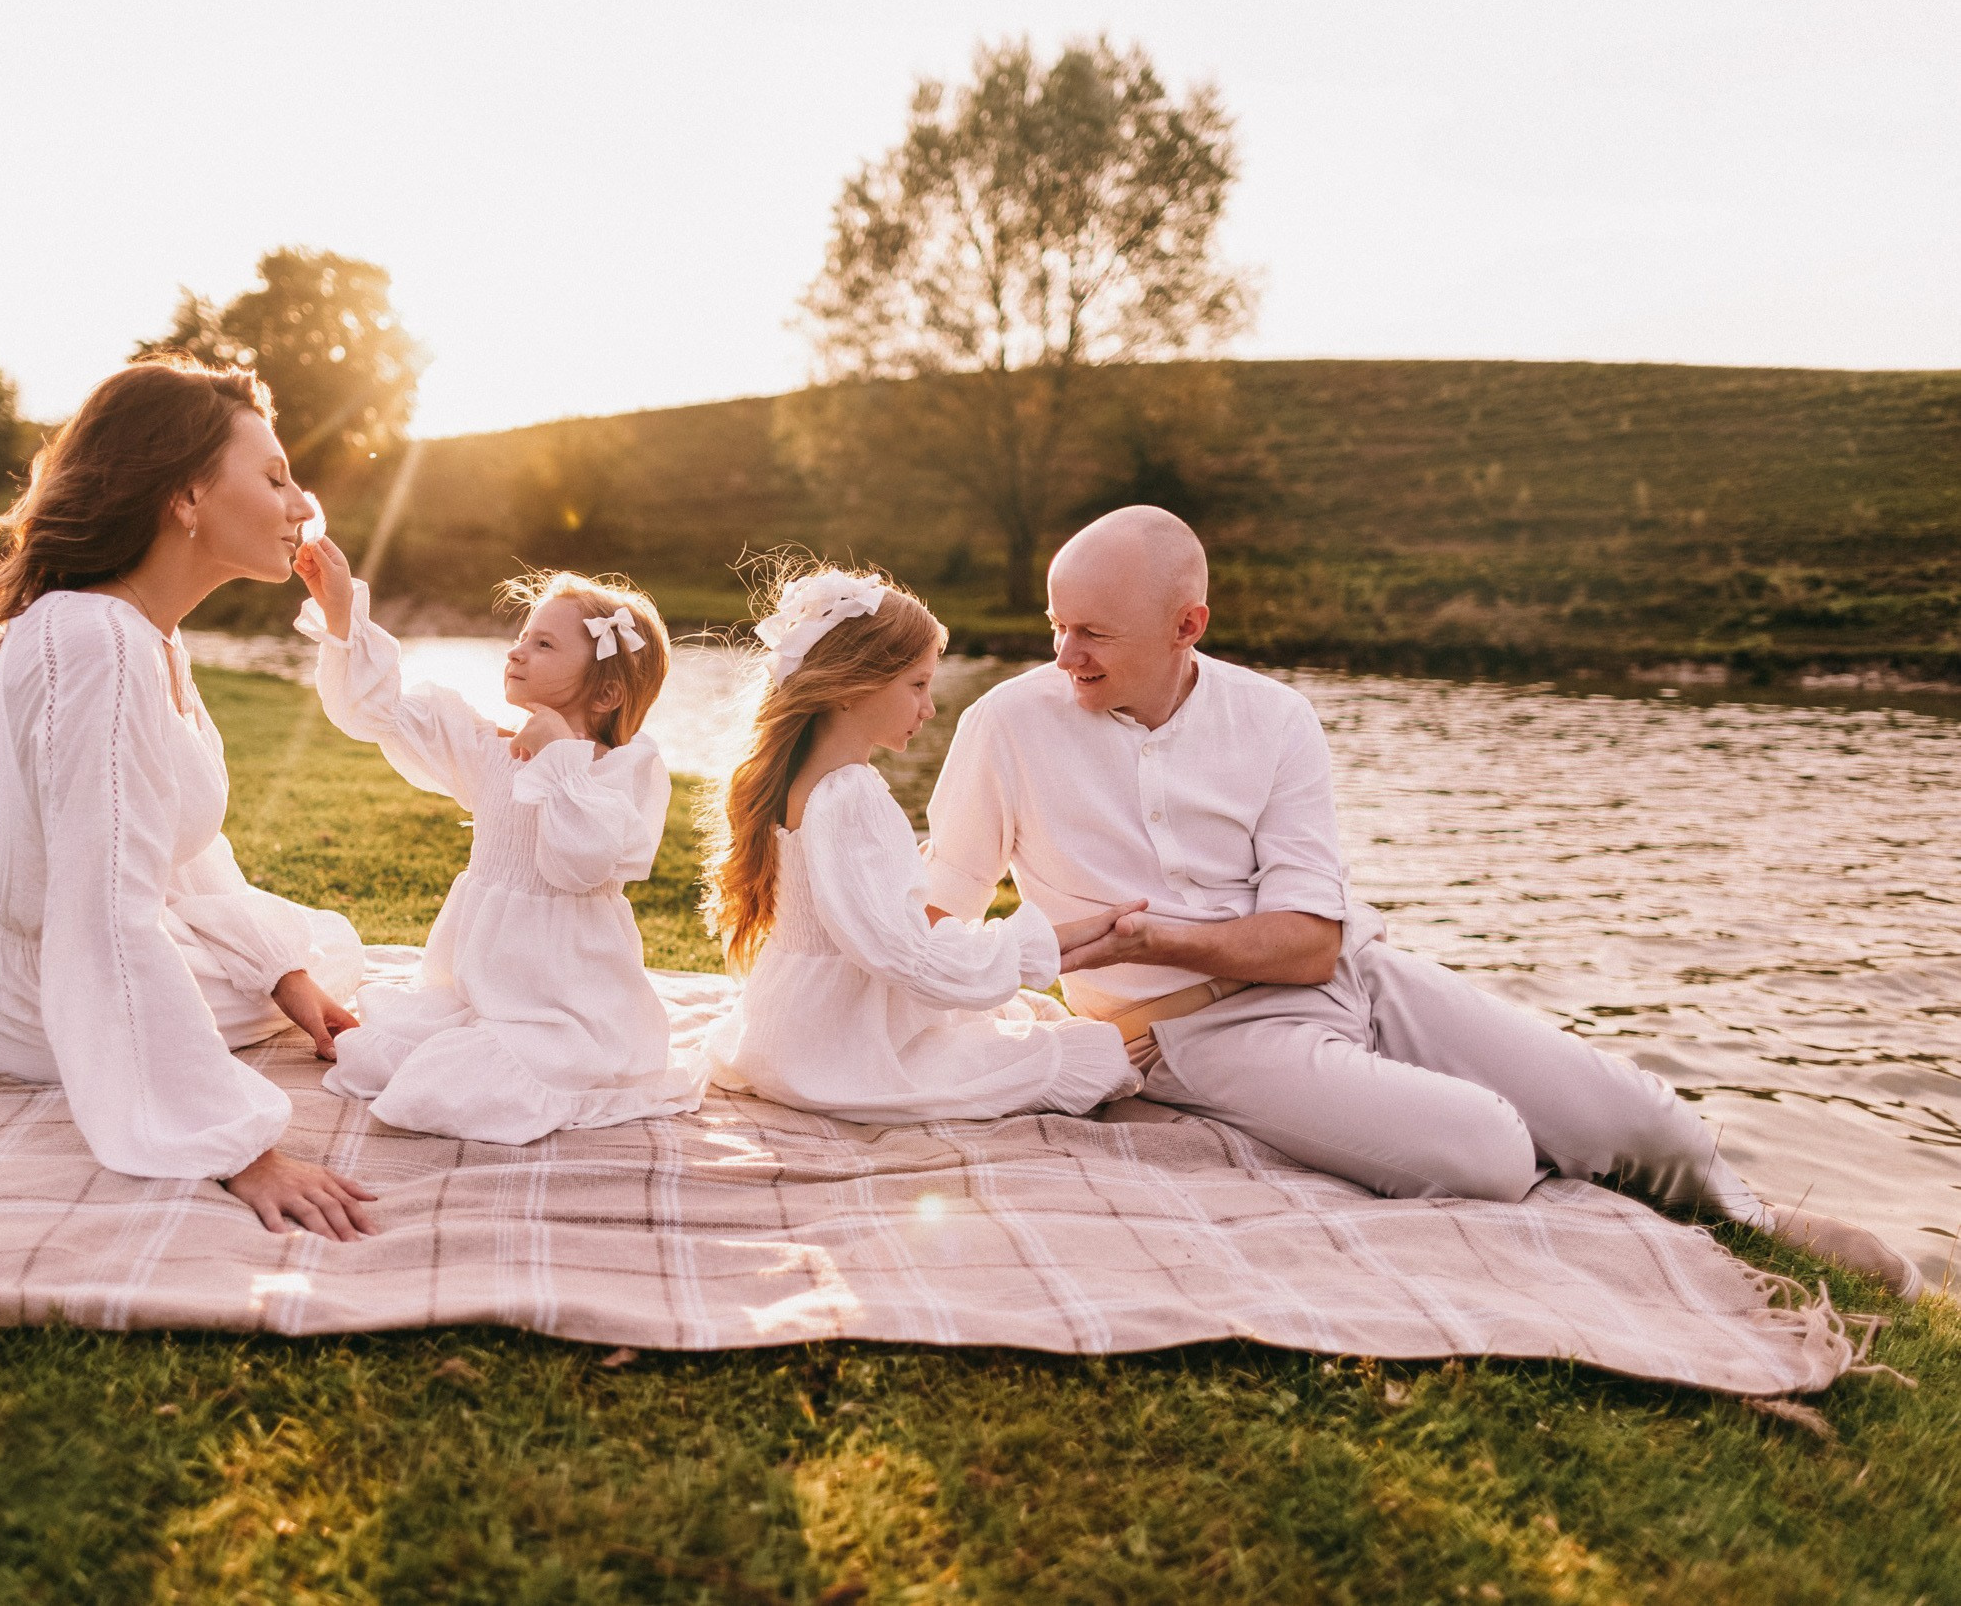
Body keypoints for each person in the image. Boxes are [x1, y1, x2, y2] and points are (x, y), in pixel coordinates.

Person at [922, 504, 1921, 1298]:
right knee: (1484, 1145)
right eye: (1058, 626)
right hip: (1190, 1037)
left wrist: (1152, 933)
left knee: (1637, 1115)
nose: (1064, 655)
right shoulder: (1007, 724)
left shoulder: (1273, 718)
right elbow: (942, 909)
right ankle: (1616, 1221)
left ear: (1187, 626)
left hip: (1357, 977)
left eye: (1093, 632)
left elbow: (1313, 943)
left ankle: (1745, 1217)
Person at [0, 357, 379, 1241]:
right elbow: (102, 911)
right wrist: (237, 1146)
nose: (303, 503)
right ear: (186, 496)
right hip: (31, 989)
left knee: (319, 954)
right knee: (327, 952)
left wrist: (281, 970)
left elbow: (185, 853)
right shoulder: (98, 644)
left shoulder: (144, 635)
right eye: (273, 478)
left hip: (39, 936)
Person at [292, 539, 706, 1144]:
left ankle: (530, 1051)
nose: (517, 650)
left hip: (565, 995)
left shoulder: (621, 768)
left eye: (544, 644)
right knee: (385, 1052)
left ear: (607, 692)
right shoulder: (493, 747)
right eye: (523, 635)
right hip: (482, 980)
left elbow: (579, 863)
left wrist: (560, 754)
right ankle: (480, 1036)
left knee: (452, 1082)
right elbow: (376, 712)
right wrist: (339, 612)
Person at [700, 566, 1143, 1125]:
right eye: (917, 685)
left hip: (793, 1023)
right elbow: (905, 956)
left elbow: (879, 918)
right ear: (850, 686)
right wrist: (1040, 943)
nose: (929, 709)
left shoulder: (800, 780)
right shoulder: (850, 796)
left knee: (1017, 1013)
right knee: (1086, 1057)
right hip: (837, 1046)